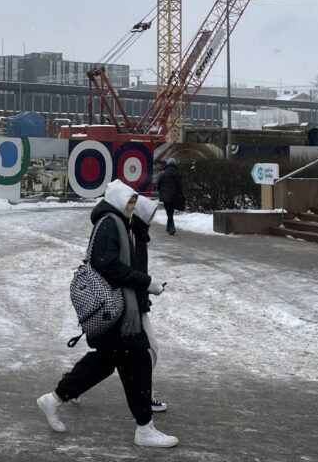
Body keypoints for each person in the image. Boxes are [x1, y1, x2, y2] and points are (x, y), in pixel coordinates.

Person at [37, 179, 178, 448]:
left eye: (135, 202)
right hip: (113, 308)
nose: (133, 207)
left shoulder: (116, 222)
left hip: (115, 309)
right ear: (117, 201)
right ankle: (144, 429)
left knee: (104, 362)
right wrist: (145, 283)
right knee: (137, 360)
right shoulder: (110, 223)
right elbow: (107, 264)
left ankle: (54, 399)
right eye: (130, 202)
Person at [130, 192, 167, 413]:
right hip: (131, 303)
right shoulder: (134, 236)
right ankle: (146, 395)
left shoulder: (138, 234)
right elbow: (130, 272)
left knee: (107, 358)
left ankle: (70, 389)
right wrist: (147, 285)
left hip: (135, 301)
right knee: (150, 349)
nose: (152, 220)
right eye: (150, 215)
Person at [156, 158, 186, 236]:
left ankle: (172, 227)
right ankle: (168, 228)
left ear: (168, 163)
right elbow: (181, 186)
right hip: (175, 196)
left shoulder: (163, 173)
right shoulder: (178, 173)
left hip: (165, 196)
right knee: (170, 212)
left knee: (169, 212)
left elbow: (158, 183)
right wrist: (181, 193)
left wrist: (160, 190)